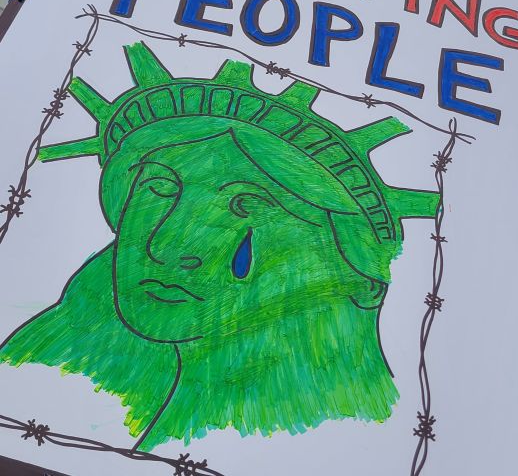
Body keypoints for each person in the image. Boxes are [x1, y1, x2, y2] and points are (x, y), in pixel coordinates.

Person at [0, 42, 438, 450]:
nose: (165, 247)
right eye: (159, 188)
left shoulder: (332, 436)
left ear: (353, 275)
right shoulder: (78, 345)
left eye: (252, 207)